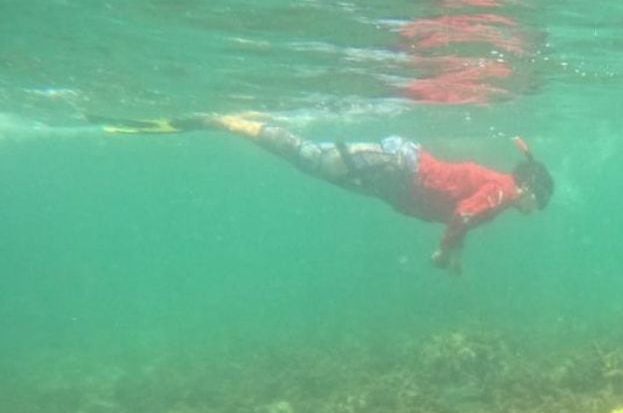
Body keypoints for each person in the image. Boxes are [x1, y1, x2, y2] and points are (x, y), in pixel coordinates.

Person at [101, 113, 554, 272]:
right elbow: (462, 216)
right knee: (308, 157)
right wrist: (444, 253)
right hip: (397, 169)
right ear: (531, 188)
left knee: (313, 164)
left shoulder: (499, 191)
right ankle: (227, 121)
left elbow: (465, 213)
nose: (535, 211)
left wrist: (454, 252)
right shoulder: (504, 192)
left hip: (392, 177)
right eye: (539, 202)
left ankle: (246, 125)